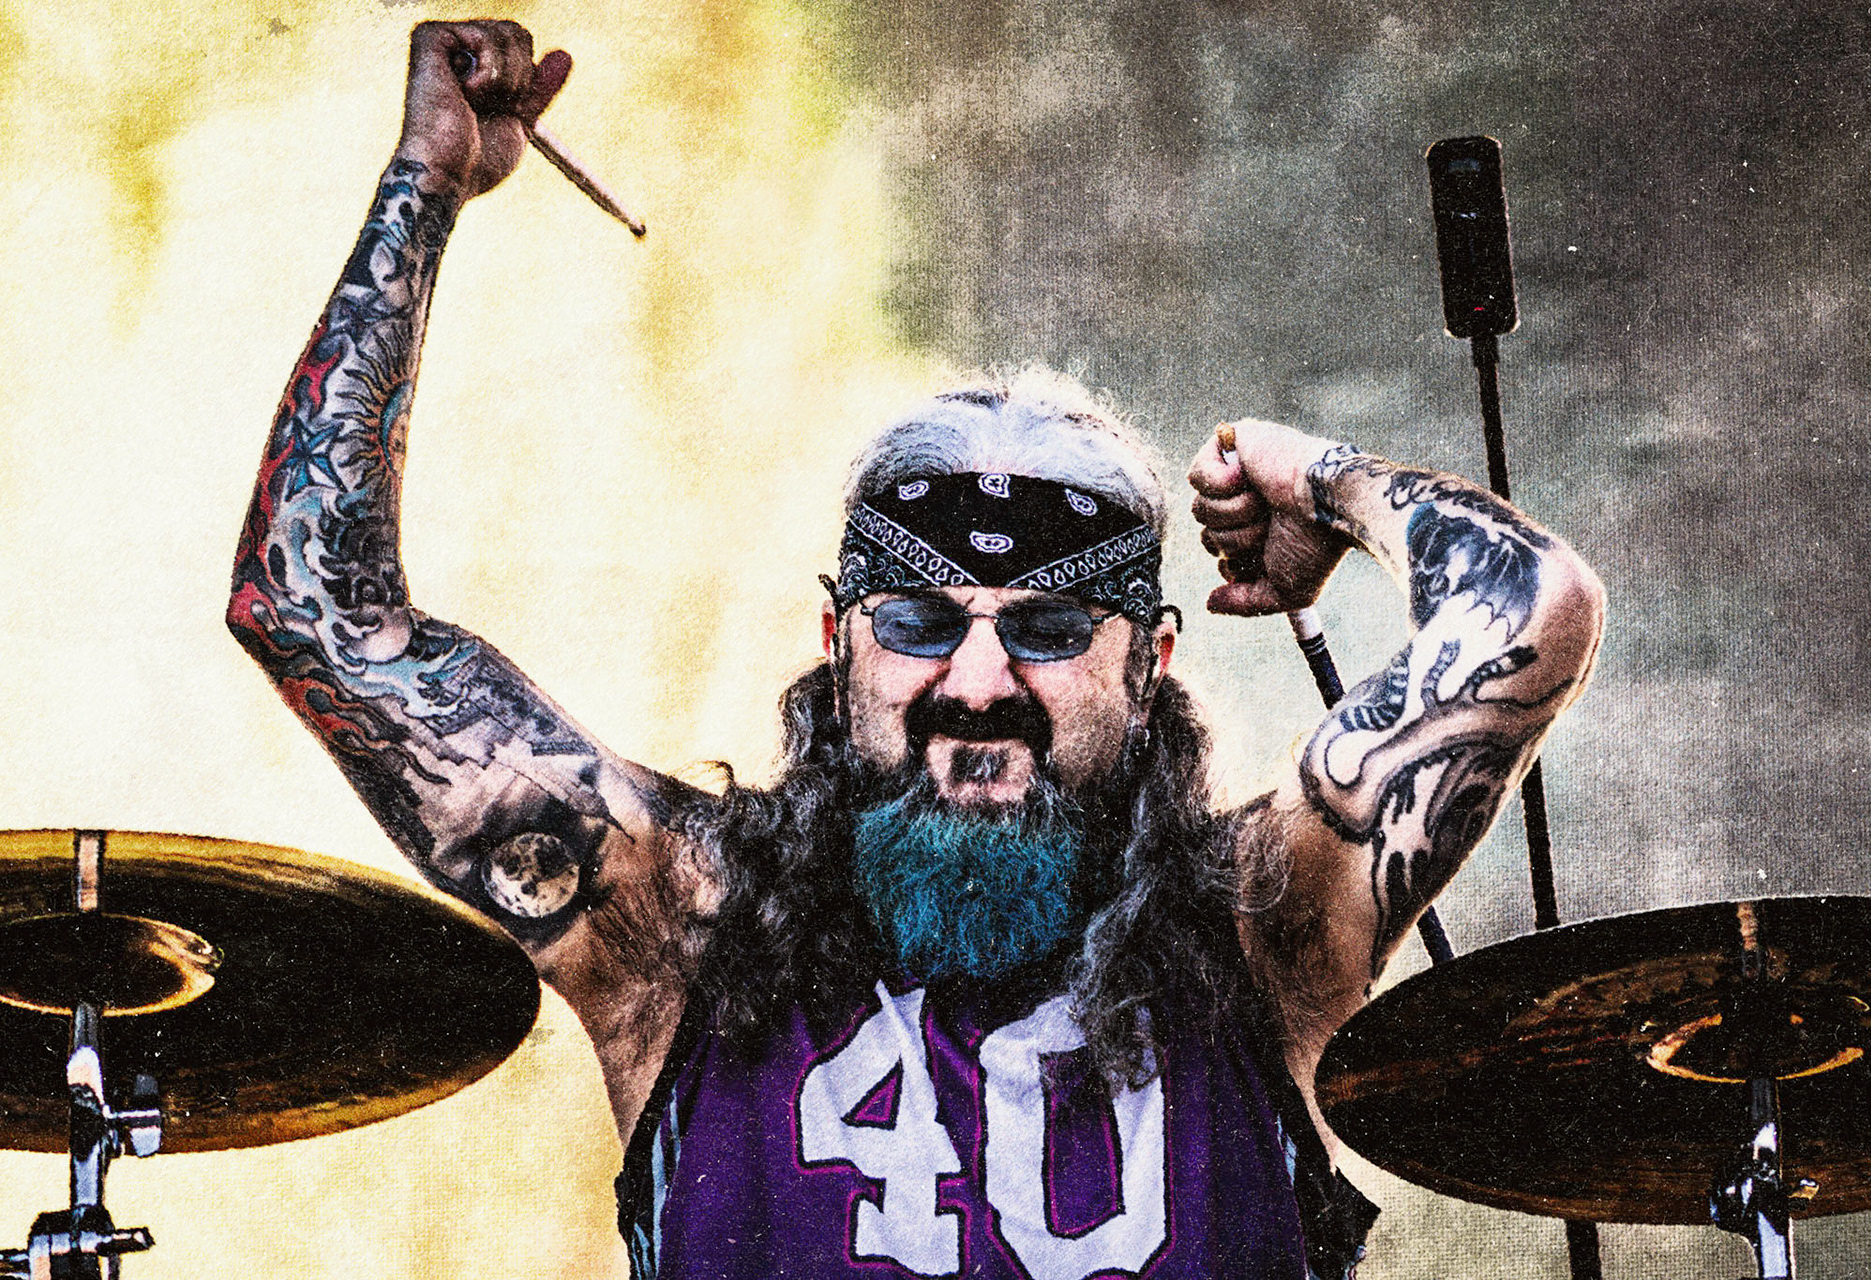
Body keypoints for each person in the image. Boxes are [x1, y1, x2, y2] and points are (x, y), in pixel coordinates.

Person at [228, 20, 1604, 1280]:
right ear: (840, 646)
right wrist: (424, 184)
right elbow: (310, 613)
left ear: (1150, 667)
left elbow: (1539, 608)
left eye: (1050, 629)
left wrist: (1318, 480)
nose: (979, 685)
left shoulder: (1265, 924)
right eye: (920, 622)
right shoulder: (677, 925)